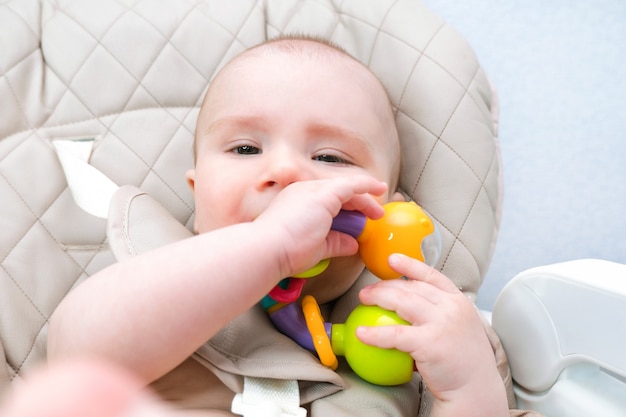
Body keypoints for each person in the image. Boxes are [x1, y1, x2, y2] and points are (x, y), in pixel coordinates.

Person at [45, 36, 520, 417]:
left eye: (330, 157)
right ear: (197, 191)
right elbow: (75, 357)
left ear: (386, 213)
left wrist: (470, 392)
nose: (288, 173)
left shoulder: (430, 335)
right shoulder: (155, 284)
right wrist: (266, 245)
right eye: (246, 149)